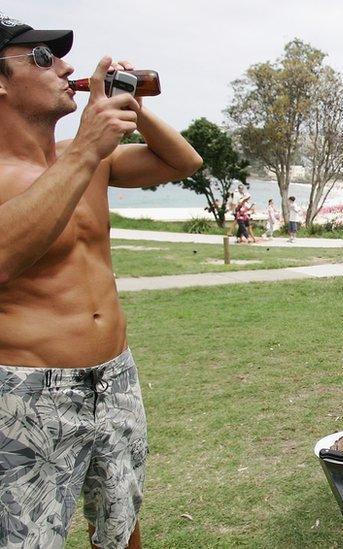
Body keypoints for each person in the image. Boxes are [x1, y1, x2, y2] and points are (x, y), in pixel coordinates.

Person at [0, 16, 202, 549]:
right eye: (42, 58)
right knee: (28, 537)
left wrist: (132, 107)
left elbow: (183, 162)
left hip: (115, 375)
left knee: (121, 522)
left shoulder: (82, 157)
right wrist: (91, 145)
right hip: (29, 389)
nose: (66, 67)